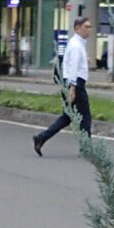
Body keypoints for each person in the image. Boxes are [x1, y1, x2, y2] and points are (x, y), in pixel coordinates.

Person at [34, 15, 93, 157]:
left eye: (90, 27)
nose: (89, 30)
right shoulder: (76, 45)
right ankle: (86, 148)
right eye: (86, 27)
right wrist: (73, 88)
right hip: (75, 84)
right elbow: (72, 67)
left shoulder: (77, 44)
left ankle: (41, 138)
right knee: (85, 117)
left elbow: (74, 64)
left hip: (72, 83)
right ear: (77, 28)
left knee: (68, 116)